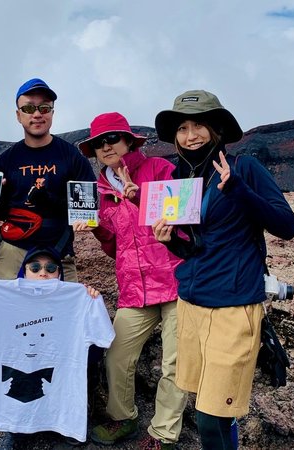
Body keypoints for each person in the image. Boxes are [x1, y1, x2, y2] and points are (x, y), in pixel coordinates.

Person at [151, 90, 294, 449]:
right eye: (183, 127)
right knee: (204, 402)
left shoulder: (246, 168)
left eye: (199, 124)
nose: (191, 135)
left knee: (212, 414)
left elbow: (287, 226)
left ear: (216, 128)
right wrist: (170, 241)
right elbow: (197, 250)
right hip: (192, 303)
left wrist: (237, 189)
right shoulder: (181, 181)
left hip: (233, 307)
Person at [73, 112, 187, 450]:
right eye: (98, 143)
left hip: (176, 280)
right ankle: (124, 417)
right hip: (136, 289)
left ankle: (162, 434)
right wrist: (93, 227)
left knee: (175, 361)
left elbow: (183, 223)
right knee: (117, 356)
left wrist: (139, 198)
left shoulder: (161, 171)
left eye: (112, 139)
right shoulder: (99, 192)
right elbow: (114, 245)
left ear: (128, 141)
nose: (106, 146)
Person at [0, 247, 111, 449]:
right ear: (24, 272)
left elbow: (98, 349)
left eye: (51, 267)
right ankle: (13, 429)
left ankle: (67, 421)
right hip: (15, 383)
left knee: (69, 376)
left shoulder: (78, 300)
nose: (43, 273)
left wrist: (90, 304)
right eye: (35, 267)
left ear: (59, 273)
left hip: (55, 381)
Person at [0, 78, 96, 281]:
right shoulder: (5, 160)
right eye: (29, 108)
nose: (37, 114)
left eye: (44, 108)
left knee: (64, 312)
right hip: (15, 250)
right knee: (11, 311)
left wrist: (85, 219)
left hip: (58, 250)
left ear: (52, 113)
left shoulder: (72, 156)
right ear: (18, 115)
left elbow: (87, 210)